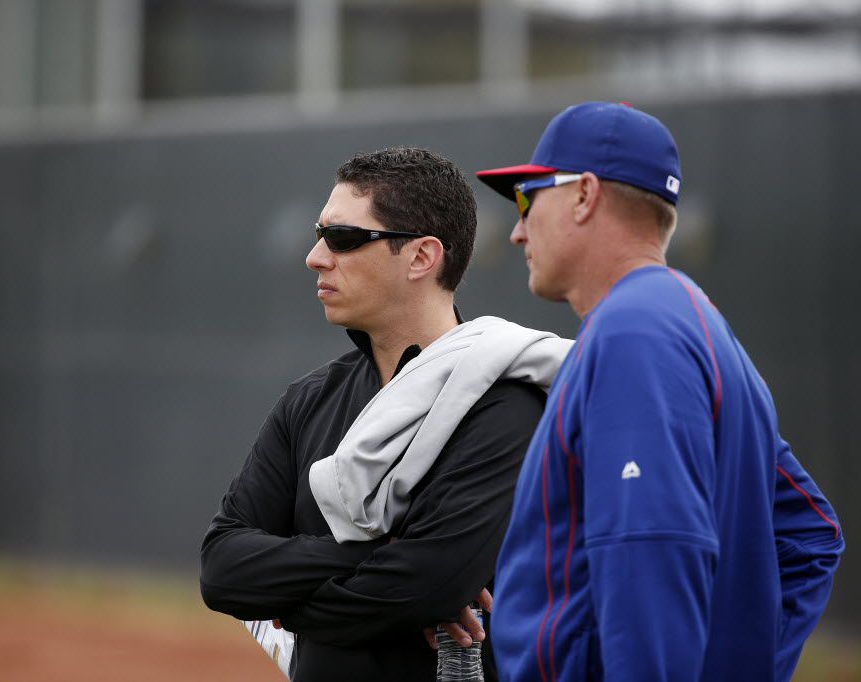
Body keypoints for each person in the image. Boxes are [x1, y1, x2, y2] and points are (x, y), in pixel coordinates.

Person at [475, 101, 844, 682]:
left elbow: (649, 553)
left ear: (584, 194)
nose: (518, 228)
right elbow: (810, 535)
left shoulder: (635, 332)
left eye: (527, 196)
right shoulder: (691, 322)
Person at [200, 147, 570, 681]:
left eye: (345, 239)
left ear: (422, 257)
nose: (316, 256)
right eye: (319, 233)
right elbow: (222, 568)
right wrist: (374, 553)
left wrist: (291, 604)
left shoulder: (505, 404)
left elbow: (428, 587)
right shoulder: (309, 400)